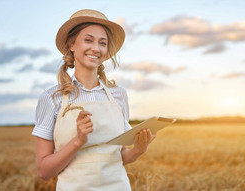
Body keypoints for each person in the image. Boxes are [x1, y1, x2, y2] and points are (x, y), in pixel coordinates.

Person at [32, 9, 155, 191]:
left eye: (102, 43)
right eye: (88, 40)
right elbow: (44, 171)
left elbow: (119, 157)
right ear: (72, 45)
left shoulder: (118, 95)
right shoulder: (52, 98)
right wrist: (78, 141)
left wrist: (138, 149)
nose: (96, 48)